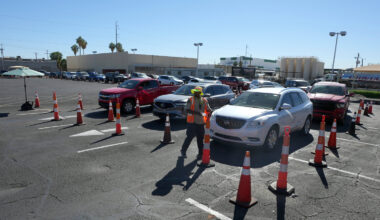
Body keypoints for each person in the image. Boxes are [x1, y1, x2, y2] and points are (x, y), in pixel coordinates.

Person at [181, 86, 212, 159]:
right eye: (195, 91)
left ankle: (200, 154)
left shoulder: (204, 100)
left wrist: (210, 112)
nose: (195, 93)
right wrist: (197, 113)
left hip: (201, 123)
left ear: (200, 93)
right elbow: (187, 110)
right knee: (189, 137)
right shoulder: (191, 100)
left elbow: (208, 109)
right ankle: (183, 151)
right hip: (192, 122)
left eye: (197, 92)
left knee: (200, 139)